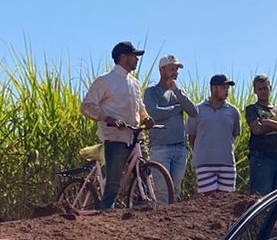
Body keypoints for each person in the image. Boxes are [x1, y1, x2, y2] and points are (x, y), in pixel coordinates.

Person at [81, 41, 153, 210]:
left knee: (144, 172)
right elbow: (87, 106)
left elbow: (140, 107)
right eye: (134, 56)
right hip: (115, 137)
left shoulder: (135, 83)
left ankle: (143, 206)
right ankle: (106, 213)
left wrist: (146, 118)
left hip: (135, 137)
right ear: (122, 57)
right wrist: (107, 118)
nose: (137, 59)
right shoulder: (105, 81)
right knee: (113, 183)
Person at [143, 55, 198, 202]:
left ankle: (171, 222)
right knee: (162, 192)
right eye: (172, 69)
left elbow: (194, 112)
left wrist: (178, 93)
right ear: (162, 70)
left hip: (180, 148)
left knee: (175, 190)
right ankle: (160, 223)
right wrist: (177, 108)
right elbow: (154, 113)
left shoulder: (179, 92)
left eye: (177, 69)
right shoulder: (152, 92)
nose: (175, 72)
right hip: (160, 148)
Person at [188, 75, 242, 195]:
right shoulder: (197, 110)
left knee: (226, 204)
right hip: (204, 164)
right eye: (223, 87)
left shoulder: (233, 111)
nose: (227, 90)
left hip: (227, 163)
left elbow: (234, 135)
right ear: (213, 88)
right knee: (208, 203)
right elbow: (192, 136)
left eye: (228, 87)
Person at [245, 75, 277, 194]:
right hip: (261, 157)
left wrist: (268, 122)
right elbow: (256, 129)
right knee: (261, 196)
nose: (263, 91)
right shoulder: (252, 108)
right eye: (260, 89)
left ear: (270, 88)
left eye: (265, 88)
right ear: (255, 91)